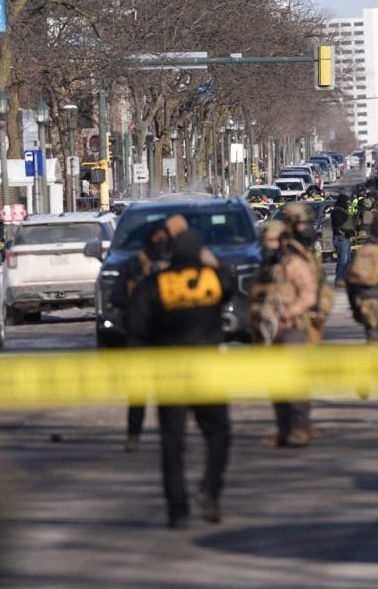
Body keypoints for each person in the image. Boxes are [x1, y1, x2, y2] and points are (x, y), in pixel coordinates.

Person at [125, 227, 234, 529]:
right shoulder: (214, 279)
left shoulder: (154, 284)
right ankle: (210, 490)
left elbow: (135, 325)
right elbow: (230, 283)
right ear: (199, 252)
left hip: (169, 372)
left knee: (172, 443)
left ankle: (178, 511)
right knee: (218, 433)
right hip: (208, 370)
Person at [249, 203, 329, 447]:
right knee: (277, 385)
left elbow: (310, 292)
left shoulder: (295, 263)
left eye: (271, 242)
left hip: (293, 327)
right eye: (265, 242)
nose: (268, 246)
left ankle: (300, 429)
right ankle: (284, 429)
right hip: (270, 332)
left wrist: (290, 311)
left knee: (296, 383)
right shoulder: (265, 268)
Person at [109, 215, 185, 452]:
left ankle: (175, 440)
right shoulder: (134, 264)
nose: (160, 241)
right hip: (141, 337)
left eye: (165, 237)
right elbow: (117, 296)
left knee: (172, 396)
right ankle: (133, 436)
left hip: (170, 338)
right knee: (138, 394)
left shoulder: (178, 264)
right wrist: (137, 305)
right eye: (156, 237)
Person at [330, 193, 356, 288]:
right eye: (346, 202)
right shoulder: (337, 211)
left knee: (346, 260)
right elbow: (338, 224)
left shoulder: (343, 211)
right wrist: (346, 232)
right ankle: (340, 279)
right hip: (341, 238)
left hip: (346, 238)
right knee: (343, 260)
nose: (348, 204)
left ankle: (342, 278)